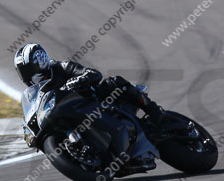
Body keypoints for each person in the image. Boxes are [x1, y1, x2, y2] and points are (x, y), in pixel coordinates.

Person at [13, 42, 165, 123]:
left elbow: (93, 74)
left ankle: (155, 112)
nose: (26, 75)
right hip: (73, 117)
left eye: (28, 69)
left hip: (96, 101)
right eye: (23, 71)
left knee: (115, 82)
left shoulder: (60, 67)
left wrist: (77, 81)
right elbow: (33, 114)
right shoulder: (36, 94)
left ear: (40, 61)